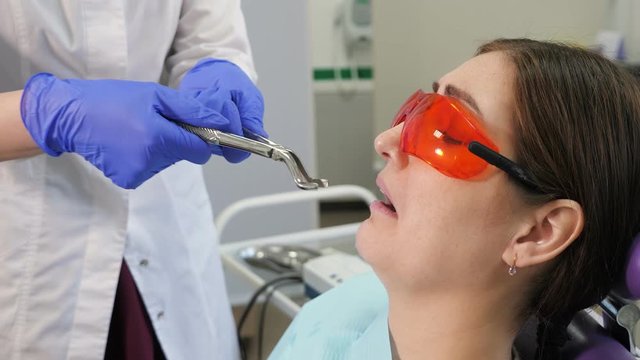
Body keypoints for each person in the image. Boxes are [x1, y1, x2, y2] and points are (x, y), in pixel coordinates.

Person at [269, 38, 640, 360]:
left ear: (538, 232)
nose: (386, 141)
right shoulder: (337, 312)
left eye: (444, 132)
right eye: (416, 109)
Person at [0, 1, 266, 359]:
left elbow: (213, 36)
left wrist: (216, 67)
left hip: (165, 217)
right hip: (28, 233)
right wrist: (45, 113)